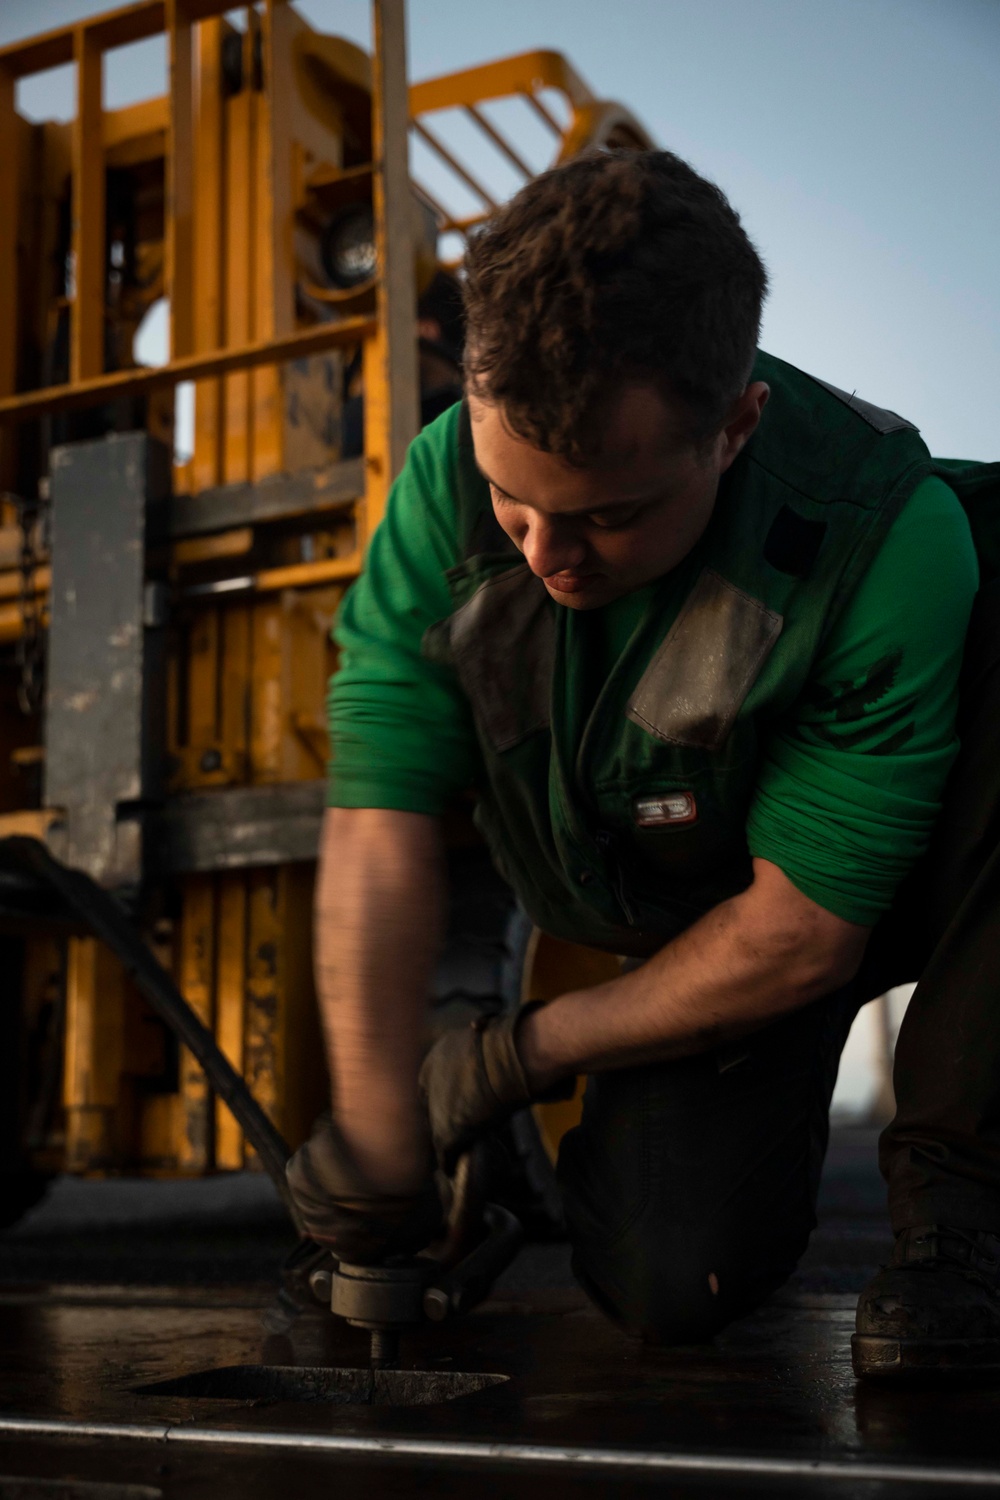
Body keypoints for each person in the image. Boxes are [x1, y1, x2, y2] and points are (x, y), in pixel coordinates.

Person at [288, 149, 1000, 1379]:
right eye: (518, 502)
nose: (548, 554)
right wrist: (372, 1123)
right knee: (666, 1277)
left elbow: (802, 932)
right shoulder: (446, 477)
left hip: (908, 868)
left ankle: (964, 1214)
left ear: (734, 428)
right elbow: (380, 810)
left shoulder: (886, 538)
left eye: (606, 514)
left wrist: (517, 1054)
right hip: (713, 905)